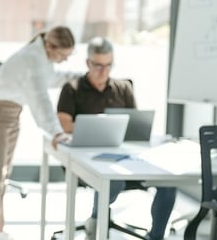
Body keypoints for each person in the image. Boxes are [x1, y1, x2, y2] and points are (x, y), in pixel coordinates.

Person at [57, 37, 176, 240]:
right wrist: (100, 124)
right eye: (98, 65)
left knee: (168, 183)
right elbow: (66, 125)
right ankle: (96, 219)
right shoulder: (72, 89)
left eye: (108, 65)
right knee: (112, 180)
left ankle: (156, 236)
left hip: (125, 157)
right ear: (87, 63)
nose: (103, 71)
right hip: (88, 160)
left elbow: (136, 125)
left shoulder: (123, 88)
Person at [0, 25, 81, 240]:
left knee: (2, 180)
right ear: (51, 46)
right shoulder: (32, 60)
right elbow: (40, 101)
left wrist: (77, 77)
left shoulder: (42, 54)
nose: (64, 60)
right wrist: (56, 132)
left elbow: (50, 78)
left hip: (12, 115)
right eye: (63, 55)